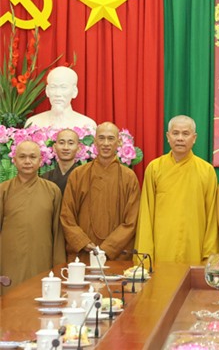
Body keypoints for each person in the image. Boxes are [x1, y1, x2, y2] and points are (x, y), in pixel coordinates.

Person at [135, 115, 219, 264]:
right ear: (168, 137)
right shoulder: (155, 168)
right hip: (161, 250)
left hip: (194, 249)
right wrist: (145, 256)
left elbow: (212, 217)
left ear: (194, 138)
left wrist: (209, 256)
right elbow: (146, 215)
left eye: (185, 134)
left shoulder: (206, 171)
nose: (180, 138)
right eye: (175, 133)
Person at [61, 122, 140, 263]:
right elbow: (67, 215)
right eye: (101, 138)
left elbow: (131, 221)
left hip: (116, 254)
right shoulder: (78, 174)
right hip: (83, 253)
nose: (106, 143)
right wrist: (83, 242)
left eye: (111, 139)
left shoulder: (129, 177)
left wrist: (108, 248)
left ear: (119, 142)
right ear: (95, 141)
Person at [0, 141, 66, 291]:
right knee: (9, 305)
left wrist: (58, 267)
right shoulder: (3, 190)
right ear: (14, 160)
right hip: (9, 262)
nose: (27, 161)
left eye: (32, 157)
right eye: (22, 157)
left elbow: (58, 234)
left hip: (41, 260)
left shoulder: (52, 190)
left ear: (40, 160)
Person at [25, 66, 97, 129]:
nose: (57, 94)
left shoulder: (86, 125)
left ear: (74, 91)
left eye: (63, 87)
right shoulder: (33, 123)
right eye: (53, 87)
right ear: (47, 91)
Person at [42, 129, 80, 195]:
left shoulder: (84, 177)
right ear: (54, 147)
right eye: (61, 143)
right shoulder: (45, 178)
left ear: (78, 148)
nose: (66, 148)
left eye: (71, 143)